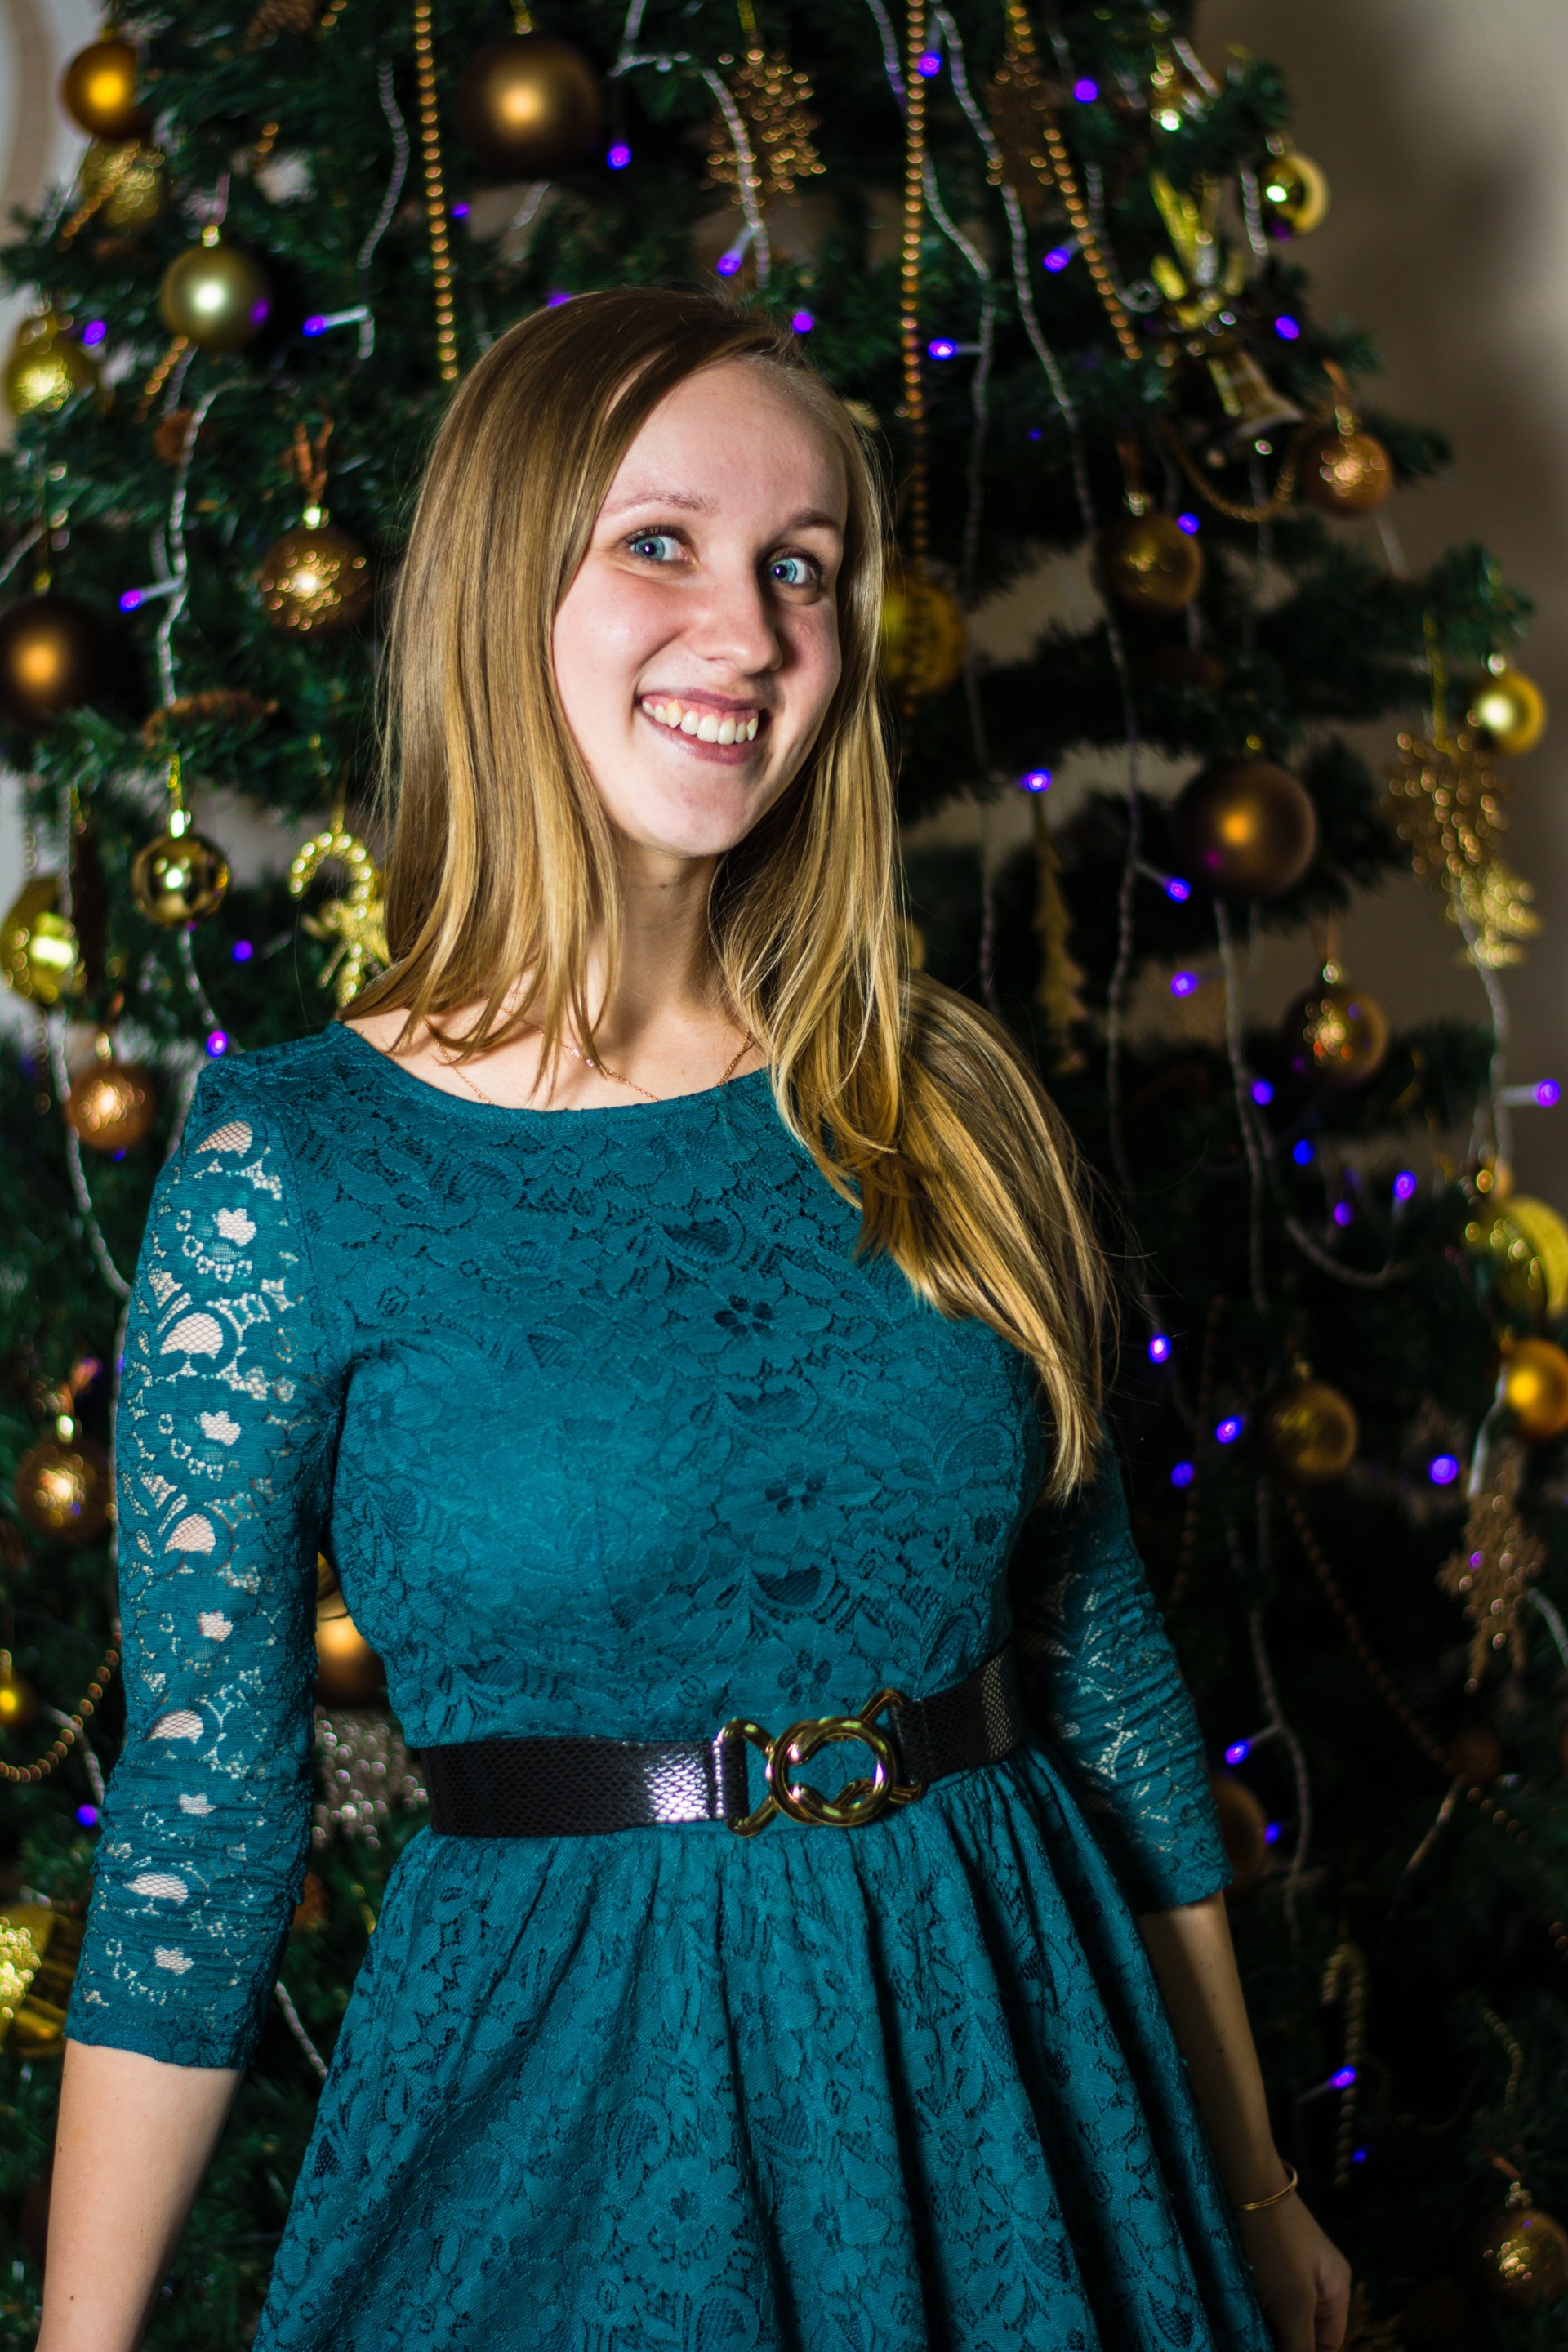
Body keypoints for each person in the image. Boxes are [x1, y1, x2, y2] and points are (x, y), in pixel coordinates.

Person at [38, 287, 1351, 2352]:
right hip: (561, 2119)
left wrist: (1251, 2190)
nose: (746, 632)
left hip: (1015, 2092)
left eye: (800, 569)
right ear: (504, 589)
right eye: (660, 543)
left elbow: (1106, 1678)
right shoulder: (291, 1166)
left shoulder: (946, 1094)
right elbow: (200, 1834)